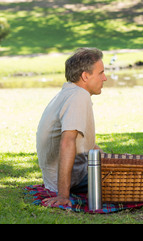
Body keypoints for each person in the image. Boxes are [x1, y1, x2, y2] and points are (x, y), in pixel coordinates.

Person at [36, 47, 107, 207]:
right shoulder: (78, 97)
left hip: (60, 176)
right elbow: (67, 142)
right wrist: (62, 195)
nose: (105, 78)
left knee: (127, 170)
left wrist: (112, 161)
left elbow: (85, 144)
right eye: (101, 73)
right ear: (85, 76)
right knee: (136, 181)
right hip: (71, 180)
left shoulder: (69, 92)